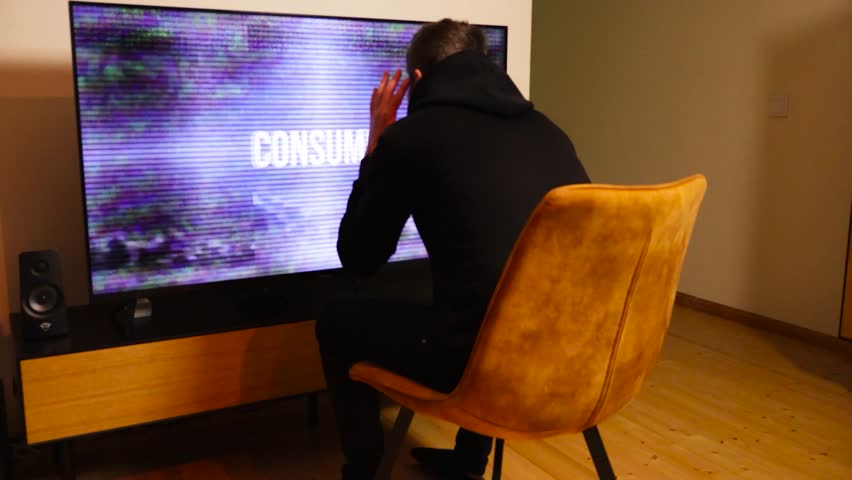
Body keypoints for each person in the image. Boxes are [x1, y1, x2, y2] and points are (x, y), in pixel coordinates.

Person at [315, 18, 590, 480]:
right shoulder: (549, 130)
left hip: (483, 367)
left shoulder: (413, 137)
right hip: (577, 358)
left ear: (418, 79)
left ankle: (363, 470)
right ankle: (468, 462)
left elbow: (359, 257)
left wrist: (377, 141)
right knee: (486, 297)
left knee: (337, 319)